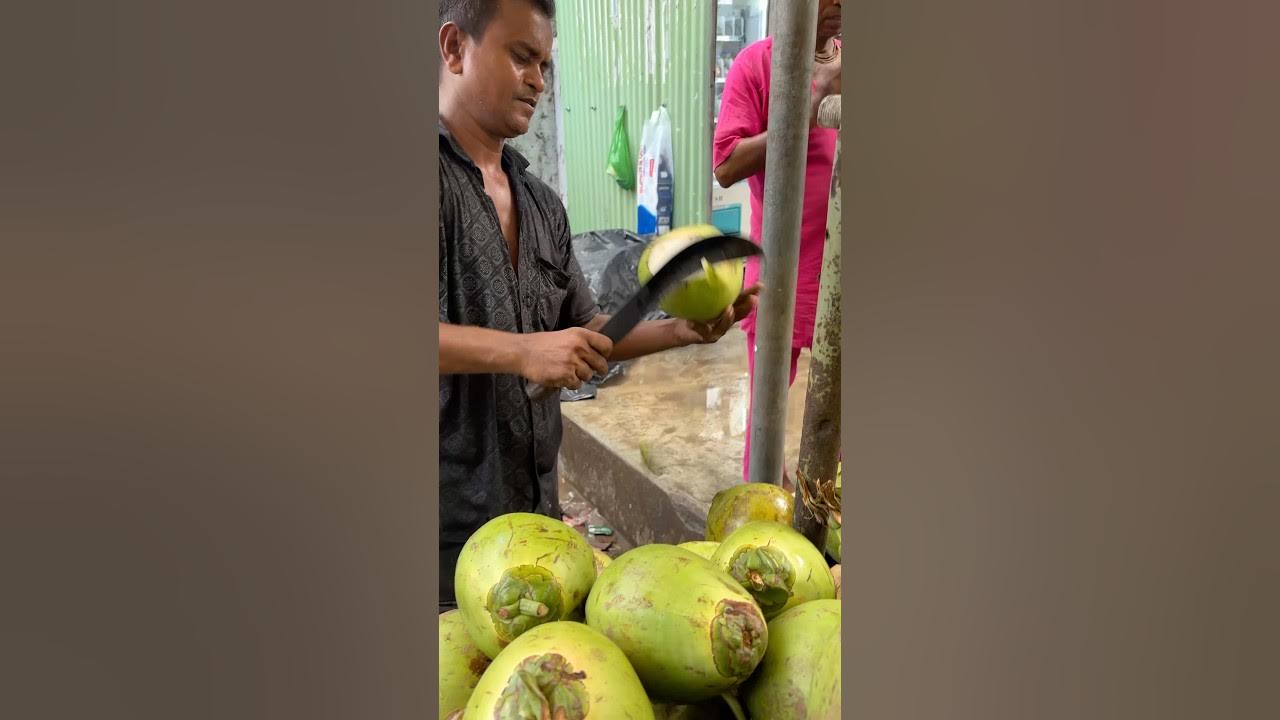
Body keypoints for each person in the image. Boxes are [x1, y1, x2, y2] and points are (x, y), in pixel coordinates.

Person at [437, 0, 760, 610]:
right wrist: (521, 353)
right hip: (446, 526)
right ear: (454, 47)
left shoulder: (540, 203)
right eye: (522, 57)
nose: (538, 80)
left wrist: (682, 331)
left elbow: (582, 330)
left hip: (534, 504)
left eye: (546, 64)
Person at [713, 0, 842, 486]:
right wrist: (812, 103)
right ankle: (764, 523)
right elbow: (725, 166)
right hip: (779, 280)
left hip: (841, 278)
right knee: (766, 422)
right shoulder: (758, 65)